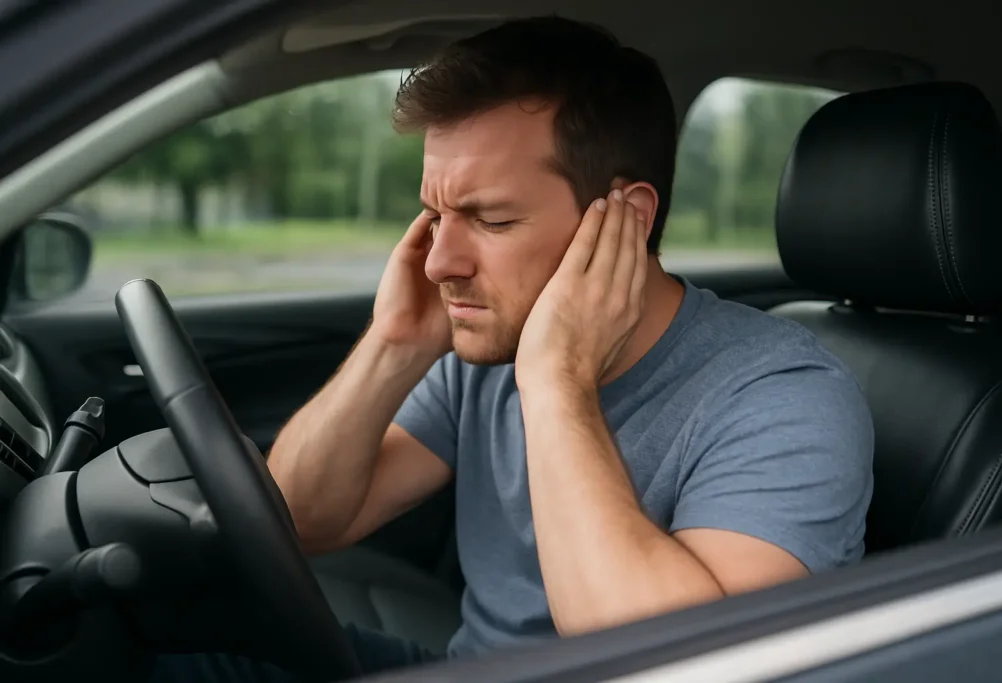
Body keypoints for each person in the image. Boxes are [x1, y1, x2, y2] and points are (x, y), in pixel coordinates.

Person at [151, 14, 874, 683]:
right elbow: (301, 522)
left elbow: (682, 663)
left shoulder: (784, 395)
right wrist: (395, 344)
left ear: (625, 218)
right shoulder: (487, 347)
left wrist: (558, 378)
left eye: (488, 218)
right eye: (434, 214)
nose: (440, 260)